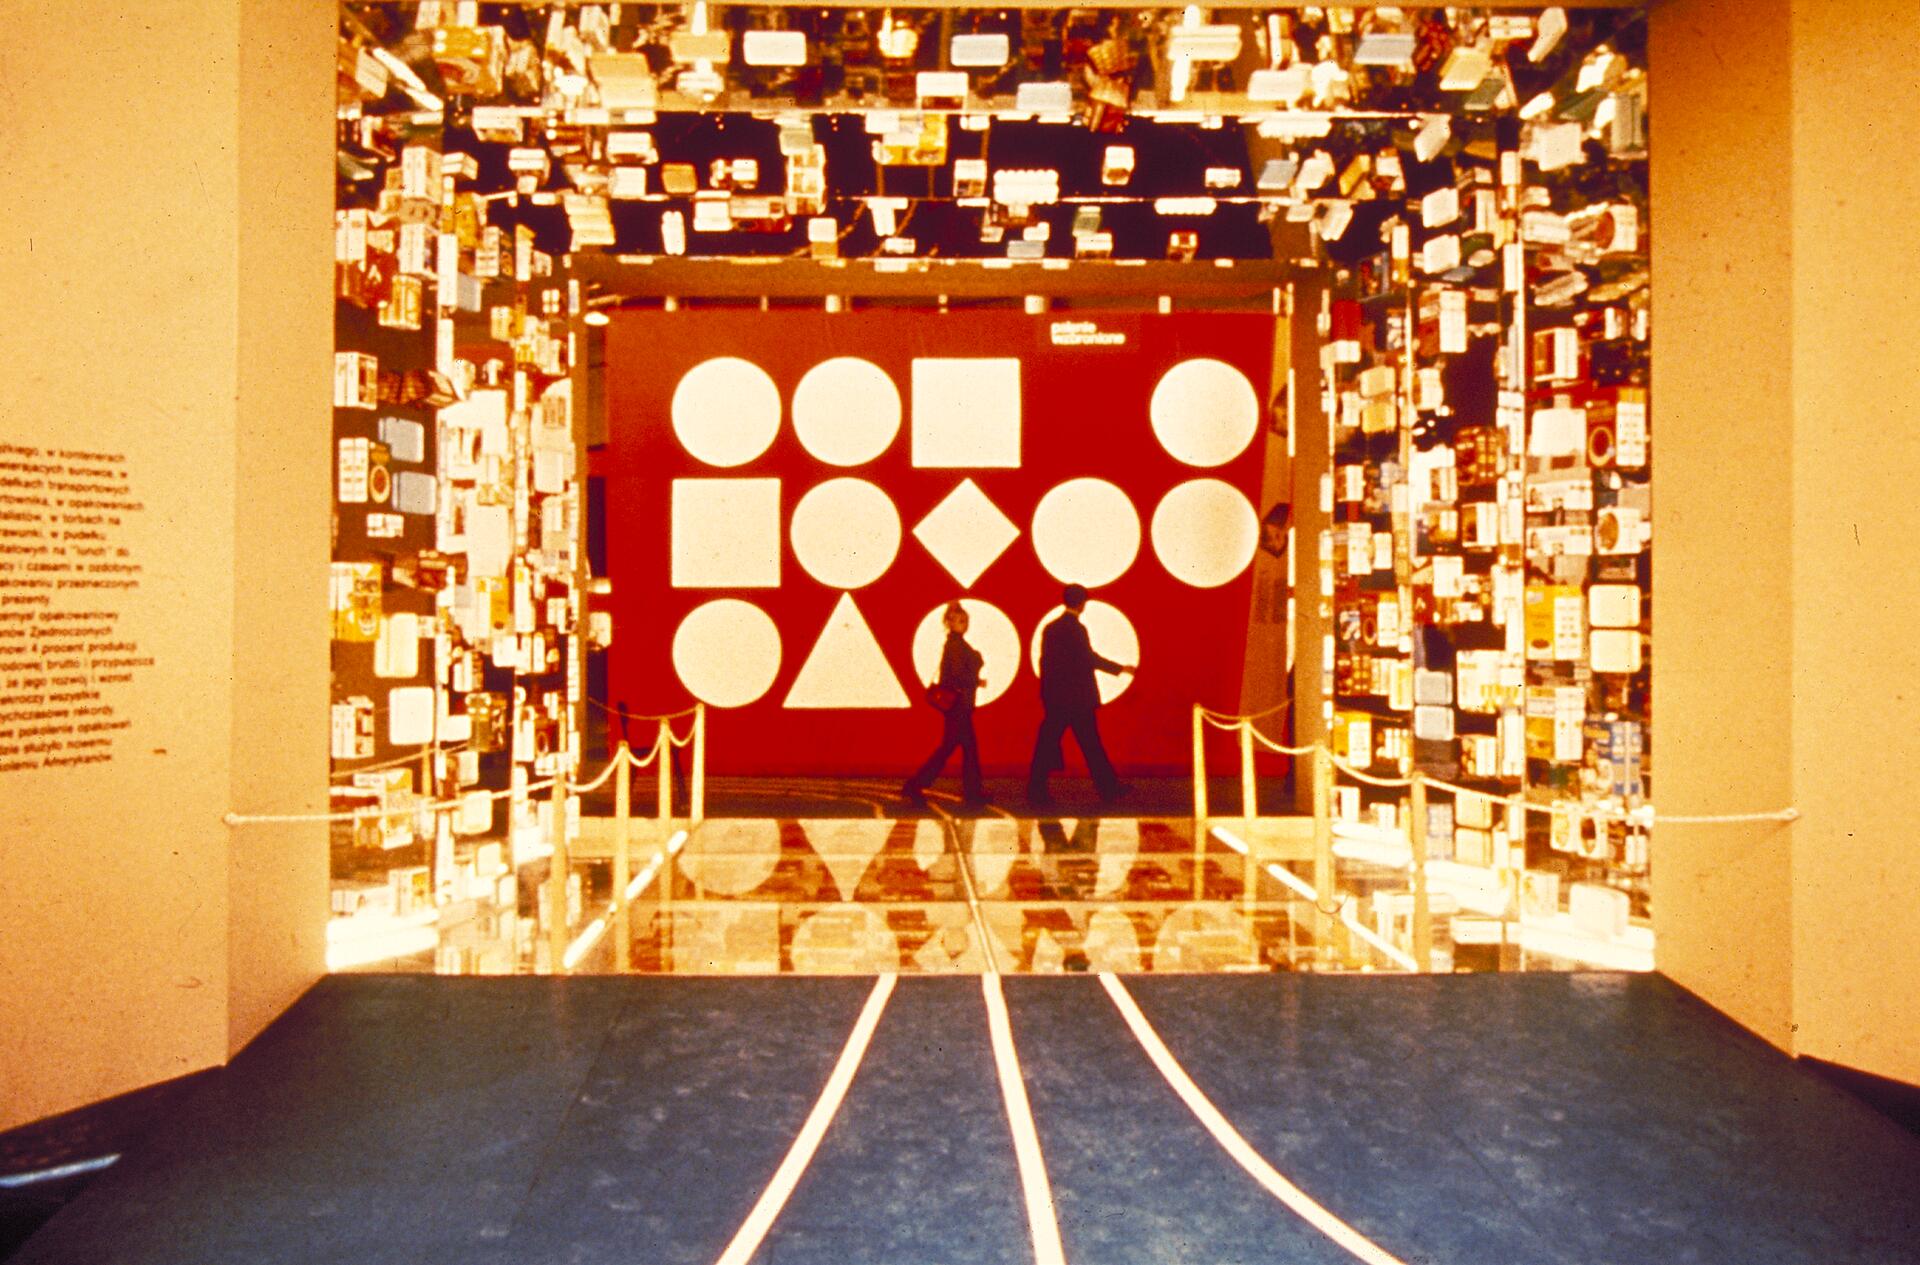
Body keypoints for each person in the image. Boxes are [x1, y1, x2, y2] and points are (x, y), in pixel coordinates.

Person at [1027, 583, 1135, 807]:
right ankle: (1109, 789)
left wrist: (1046, 694)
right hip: (1078, 700)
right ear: (1082, 603)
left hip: (1057, 699)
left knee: (1047, 744)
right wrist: (1120, 668)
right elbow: (1089, 659)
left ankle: (1036, 790)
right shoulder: (1077, 629)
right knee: (1091, 745)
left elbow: (1045, 663)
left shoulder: (1050, 628)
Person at [903, 601, 987, 808]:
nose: (963, 624)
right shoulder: (956, 645)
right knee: (964, 749)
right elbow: (957, 676)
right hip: (960, 706)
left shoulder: (954, 644)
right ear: (950, 623)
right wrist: (976, 680)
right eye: (960, 621)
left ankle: (918, 784)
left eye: (965, 621)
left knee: (954, 748)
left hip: (957, 706)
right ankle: (970, 792)